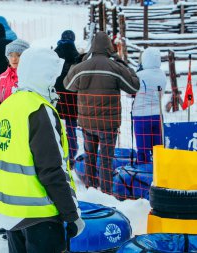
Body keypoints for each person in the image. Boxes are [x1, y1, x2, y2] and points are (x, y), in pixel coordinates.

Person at [0, 47, 84, 253]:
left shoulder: (5, 107)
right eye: (51, 76)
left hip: (11, 214)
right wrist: (71, 214)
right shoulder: (38, 109)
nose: (53, 82)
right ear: (42, 75)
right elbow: (51, 168)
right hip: (40, 215)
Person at [64, 31, 140, 194]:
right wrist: (122, 62)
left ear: (92, 46)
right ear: (109, 47)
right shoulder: (115, 67)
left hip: (87, 123)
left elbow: (68, 84)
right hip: (108, 125)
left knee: (90, 157)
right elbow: (134, 86)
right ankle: (106, 193)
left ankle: (91, 188)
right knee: (106, 160)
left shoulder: (82, 67)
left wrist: (81, 61)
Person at [132, 48, 166, 164]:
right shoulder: (162, 74)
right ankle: (159, 172)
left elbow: (129, 93)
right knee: (158, 149)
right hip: (158, 115)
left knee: (143, 150)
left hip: (142, 116)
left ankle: (143, 175)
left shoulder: (139, 75)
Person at [54, 30, 80, 168]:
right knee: (71, 127)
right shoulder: (77, 55)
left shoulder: (54, 54)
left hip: (57, 96)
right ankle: (72, 153)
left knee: (56, 126)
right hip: (72, 96)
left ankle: (58, 154)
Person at [0, 39, 29, 111]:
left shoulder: (30, 77)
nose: (13, 59)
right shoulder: (2, 78)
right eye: (10, 55)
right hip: (7, 119)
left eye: (18, 55)